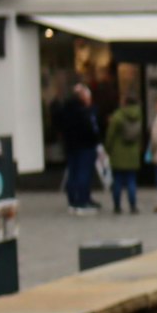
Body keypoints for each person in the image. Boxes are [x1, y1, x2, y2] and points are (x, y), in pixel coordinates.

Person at [54, 84, 101, 215]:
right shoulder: (84, 112)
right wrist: (96, 140)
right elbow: (91, 129)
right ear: (83, 97)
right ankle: (82, 200)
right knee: (83, 174)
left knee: (73, 173)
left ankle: (73, 199)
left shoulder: (66, 109)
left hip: (71, 146)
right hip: (85, 145)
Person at [104, 93, 145, 214]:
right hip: (132, 153)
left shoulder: (118, 116)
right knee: (131, 181)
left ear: (125, 102)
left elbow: (110, 135)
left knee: (117, 181)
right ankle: (133, 206)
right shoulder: (139, 115)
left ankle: (117, 206)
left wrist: (107, 149)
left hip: (118, 153)